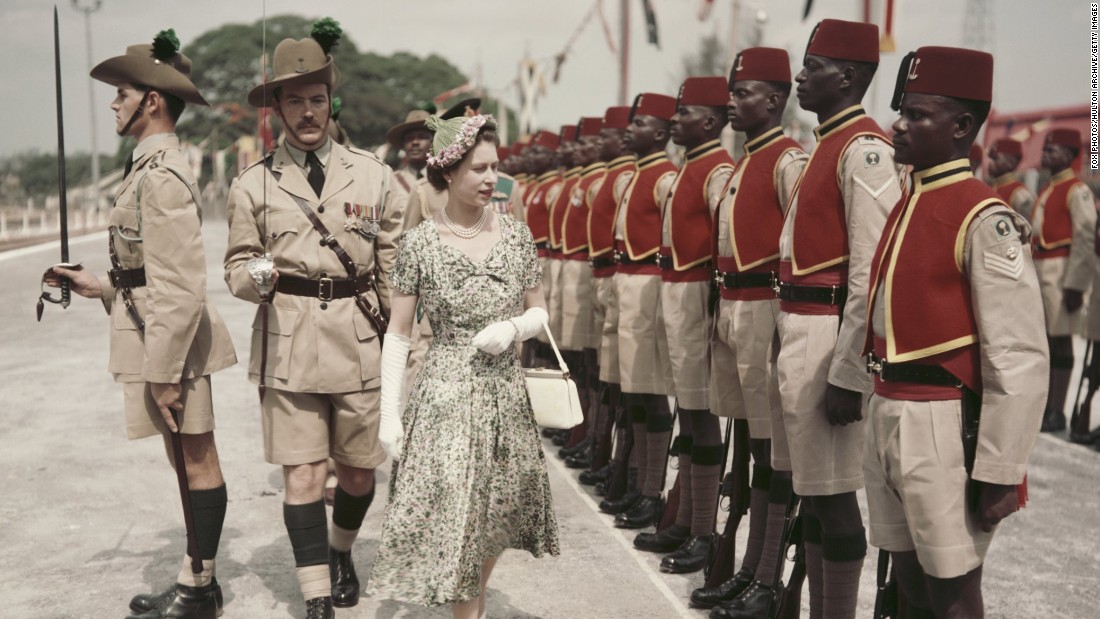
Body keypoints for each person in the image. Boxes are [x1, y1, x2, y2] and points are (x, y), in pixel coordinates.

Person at [46, 30, 238, 619]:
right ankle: (195, 578)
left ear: (151, 100)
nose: (112, 103)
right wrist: (99, 285)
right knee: (180, 455)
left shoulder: (162, 175)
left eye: (121, 92)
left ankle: (199, 588)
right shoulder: (147, 168)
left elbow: (180, 285)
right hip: (149, 327)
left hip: (168, 341)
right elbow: (147, 271)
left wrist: (164, 373)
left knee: (195, 456)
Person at [223, 29, 402, 619]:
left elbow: (396, 274)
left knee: (355, 474)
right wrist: (258, 277)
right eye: (294, 101)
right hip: (289, 343)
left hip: (358, 342)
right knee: (301, 474)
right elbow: (235, 269)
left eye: (316, 99)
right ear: (276, 110)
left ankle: (341, 549)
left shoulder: (374, 177)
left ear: (331, 102)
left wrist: (408, 350)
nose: (307, 112)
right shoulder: (253, 183)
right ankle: (317, 600)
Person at [863, 45, 1047, 618]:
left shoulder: (982, 215)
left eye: (919, 114)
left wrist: (998, 468)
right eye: (904, 111)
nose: (900, 123)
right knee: (909, 583)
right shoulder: (908, 201)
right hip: (890, 405)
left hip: (941, 421)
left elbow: (1017, 354)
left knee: (952, 591)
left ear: (962, 126)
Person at [368, 113, 560, 619]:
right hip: (446, 394)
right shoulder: (419, 244)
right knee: (457, 515)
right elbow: (398, 334)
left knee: (499, 512)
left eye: (494, 167)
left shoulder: (518, 237)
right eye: (478, 169)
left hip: (504, 394)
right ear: (448, 174)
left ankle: (468, 597)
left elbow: (541, 311)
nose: (490, 178)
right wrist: (390, 414)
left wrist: (516, 328)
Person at [776, 18, 902, 618]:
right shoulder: (828, 141)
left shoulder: (865, 149)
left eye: (814, 66)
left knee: (833, 496)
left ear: (847, 76)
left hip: (830, 333)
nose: (800, 76)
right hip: (801, 324)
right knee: (815, 492)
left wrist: (849, 371)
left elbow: (869, 275)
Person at [699, 47, 807, 617]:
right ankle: (745, 567)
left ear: (773, 100)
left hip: (767, 307)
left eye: (743, 94)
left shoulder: (789, 162)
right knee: (745, 446)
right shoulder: (744, 160)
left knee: (770, 454)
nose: (732, 102)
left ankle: (765, 574)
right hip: (735, 306)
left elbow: (800, 248)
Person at [634, 76, 736, 574]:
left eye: (685, 112)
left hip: (698, 291)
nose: (676, 121)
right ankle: (685, 519)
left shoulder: (717, 168)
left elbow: (726, 234)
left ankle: (702, 531)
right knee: (689, 414)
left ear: (711, 121)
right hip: (677, 288)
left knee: (700, 414)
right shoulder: (691, 166)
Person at [606, 93, 679, 526]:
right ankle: (636, 481)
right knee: (633, 392)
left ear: (661, 132)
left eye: (640, 124)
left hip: (651, 281)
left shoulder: (666, 177)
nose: (630, 131)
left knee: (651, 394)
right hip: (626, 280)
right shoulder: (635, 175)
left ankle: (652, 490)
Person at [582, 105, 636, 488]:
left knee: (630, 383)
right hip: (605, 273)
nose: (600, 143)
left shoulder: (626, 176)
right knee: (604, 370)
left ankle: (630, 473)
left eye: (606, 136)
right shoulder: (614, 177)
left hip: (629, 277)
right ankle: (598, 447)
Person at [1032, 128, 1095, 433]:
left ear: (1070, 156)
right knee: (1045, 340)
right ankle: (1046, 407)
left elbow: (1084, 237)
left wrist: (1076, 284)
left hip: (1062, 270)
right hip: (1042, 267)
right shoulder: (1048, 187)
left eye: (1052, 151)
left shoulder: (1076, 189)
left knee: (1061, 341)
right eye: (1045, 150)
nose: (1046, 155)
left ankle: (1057, 409)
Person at [559, 117, 608, 468]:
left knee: (596, 365)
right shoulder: (576, 181)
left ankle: (596, 439)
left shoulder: (601, 180)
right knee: (575, 358)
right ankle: (582, 429)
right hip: (568, 265)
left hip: (596, 270)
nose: (573, 150)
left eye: (583, 142)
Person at [386, 108, 433, 194]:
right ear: (403, 144)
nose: (415, 142)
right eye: (409, 138)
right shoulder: (391, 181)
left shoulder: (446, 179)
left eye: (422, 137)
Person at [987, 137, 1036, 219]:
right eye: (990, 158)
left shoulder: (1019, 194)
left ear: (1011, 162)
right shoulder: (991, 188)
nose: (990, 163)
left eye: (995, 158)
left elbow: (1028, 227)